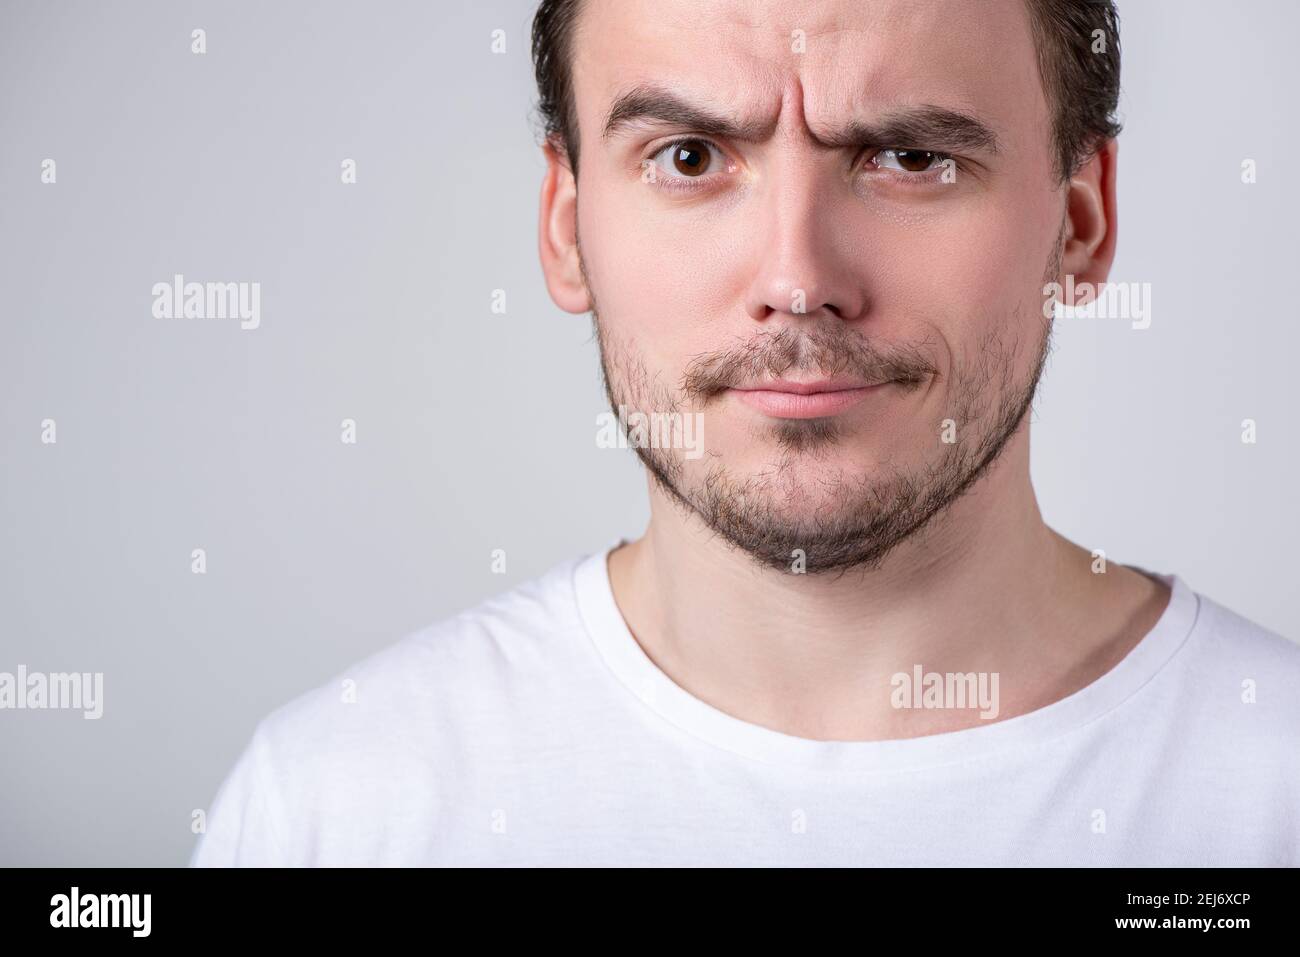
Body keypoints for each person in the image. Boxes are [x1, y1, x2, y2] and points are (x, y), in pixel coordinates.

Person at [192, 0, 1300, 866]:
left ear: (1079, 221)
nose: (796, 280)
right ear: (567, 230)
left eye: (910, 158)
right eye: (689, 157)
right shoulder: (335, 809)